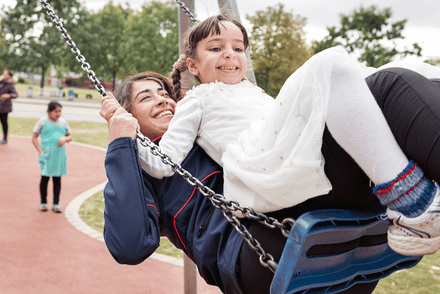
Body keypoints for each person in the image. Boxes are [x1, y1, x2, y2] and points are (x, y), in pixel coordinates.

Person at [105, 14, 440, 257]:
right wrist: (124, 137)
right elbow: (162, 165)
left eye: (237, 48)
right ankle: (411, 199)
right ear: (192, 66)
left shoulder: (245, 92)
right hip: (268, 169)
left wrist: (254, 98)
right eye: (145, 97)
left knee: (401, 73)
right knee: (331, 66)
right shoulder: (196, 102)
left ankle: (413, 196)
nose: (229, 54)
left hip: (285, 148)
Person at [101, 66, 440, 294]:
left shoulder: (202, 126)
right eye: (146, 97)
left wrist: (245, 103)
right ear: (128, 116)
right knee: (387, 87)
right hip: (258, 247)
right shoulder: (139, 168)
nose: (162, 99)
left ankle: (414, 202)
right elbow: (130, 245)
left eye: (164, 93)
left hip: (302, 200)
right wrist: (121, 145)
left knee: (385, 86)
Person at [32, 101, 72, 213]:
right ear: (49, 111)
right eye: (56, 111)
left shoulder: (63, 122)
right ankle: (43, 202)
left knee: (57, 179)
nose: (58, 113)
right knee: (44, 178)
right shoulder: (42, 122)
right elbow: (34, 137)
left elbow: (70, 136)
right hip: (46, 154)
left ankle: (56, 204)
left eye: (60, 111)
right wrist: (40, 151)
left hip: (59, 154)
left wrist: (64, 139)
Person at [0, 69, 18, 145]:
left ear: (9, 76)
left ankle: (5, 138)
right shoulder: (1, 83)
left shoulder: (10, 85)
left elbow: (16, 95)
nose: (4, 75)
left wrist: (8, 95)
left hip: (4, 107)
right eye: (3, 74)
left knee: (4, 123)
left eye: (5, 74)